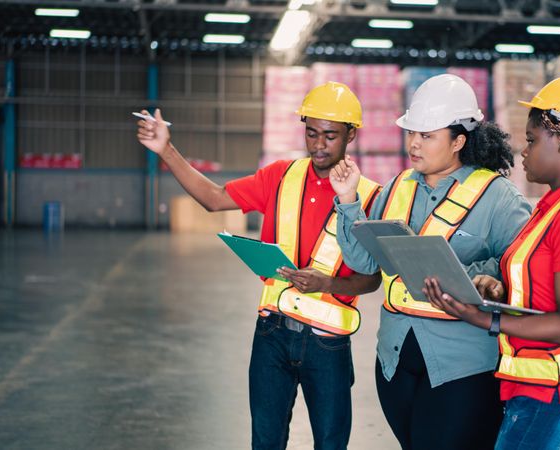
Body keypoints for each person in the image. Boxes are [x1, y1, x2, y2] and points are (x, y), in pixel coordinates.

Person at [136, 81, 382, 450]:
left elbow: (372, 279)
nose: (318, 144)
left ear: (351, 135)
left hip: (327, 345)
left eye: (330, 136)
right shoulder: (280, 176)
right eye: (311, 133)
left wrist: (326, 285)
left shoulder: (373, 196)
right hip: (272, 334)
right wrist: (166, 150)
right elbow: (214, 199)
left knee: (331, 444)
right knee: (265, 442)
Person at [424, 73, 560, 450]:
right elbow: (540, 285)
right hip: (539, 386)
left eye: (532, 140)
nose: (523, 151)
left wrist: (484, 318)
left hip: (555, 391)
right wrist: (497, 288)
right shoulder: (554, 207)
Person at [329, 74, 532, 450]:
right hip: (394, 361)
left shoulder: (498, 198)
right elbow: (364, 262)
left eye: (426, 135)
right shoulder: (397, 186)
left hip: (462, 370)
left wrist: (480, 276)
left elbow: (520, 270)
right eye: (412, 133)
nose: (414, 144)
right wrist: (347, 201)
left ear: (458, 141)